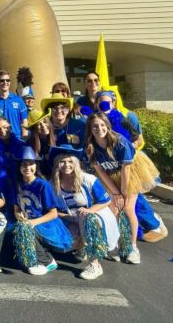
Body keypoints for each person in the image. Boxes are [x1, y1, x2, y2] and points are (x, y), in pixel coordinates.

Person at [84, 112, 160, 263]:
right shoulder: (90, 146)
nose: (99, 129)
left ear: (107, 125)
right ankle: (115, 245)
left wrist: (123, 193)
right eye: (95, 126)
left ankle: (132, 248)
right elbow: (100, 171)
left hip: (130, 174)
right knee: (112, 210)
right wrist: (115, 192)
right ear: (90, 129)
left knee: (128, 208)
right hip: (110, 177)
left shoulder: (120, 142)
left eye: (102, 125)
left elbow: (126, 170)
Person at [93, 90, 167, 242]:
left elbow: (138, 140)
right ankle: (125, 231)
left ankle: (152, 225)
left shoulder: (123, 119)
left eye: (108, 102)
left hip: (128, 163)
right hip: (109, 167)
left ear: (113, 103)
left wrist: (126, 146)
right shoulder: (95, 122)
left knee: (133, 197)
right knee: (116, 201)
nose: (105, 105)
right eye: (101, 102)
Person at [50, 145, 119, 280]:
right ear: (57, 164)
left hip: (95, 215)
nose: (66, 165)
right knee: (62, 244)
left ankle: (94, 264)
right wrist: (67, 216)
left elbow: (105, 201)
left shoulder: (88, 179)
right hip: (70, 218)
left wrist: (89, 211)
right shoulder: (52, 183)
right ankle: (81, 247)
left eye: (70, 161)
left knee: (86, 218)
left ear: (76, 163)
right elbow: (50, 209)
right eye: (62, 161)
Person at [12, 147, 73, 275]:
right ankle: (32, 257)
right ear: (19, 167)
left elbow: (53, 213)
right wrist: (19, 216)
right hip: (28, 223)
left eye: (31, 164)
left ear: (36, 166)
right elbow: (16, 208)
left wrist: (32, 222)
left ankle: (47, 261)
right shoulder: (17, 183)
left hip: (45, 223)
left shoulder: (42, 185)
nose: (27, 168)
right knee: (16, 232)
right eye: (24, 164)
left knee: (27, 229)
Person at [24, 109, 55, 176]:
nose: (43, 126)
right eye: (39, 124)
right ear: (33, 129)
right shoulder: (29, 145)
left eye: (45, 122)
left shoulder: (59, 138)